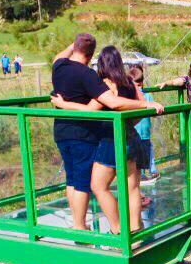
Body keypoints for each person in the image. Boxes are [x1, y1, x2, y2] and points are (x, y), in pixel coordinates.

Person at [52, 46, 163, 234]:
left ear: (101, 64)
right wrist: (129, 122)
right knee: (132, 188)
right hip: (132, 137)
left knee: (98, 186)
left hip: (111, 140)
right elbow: (140, 112)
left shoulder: (104, 84)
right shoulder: (130, 82)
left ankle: (117, 229)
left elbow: (90, 110)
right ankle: (136, 228)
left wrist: (63, 105)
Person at [49, 34, 118, 231]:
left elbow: (58, 56)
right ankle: (79, 226)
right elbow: (104, 102)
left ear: (75, 47)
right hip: (83, 134)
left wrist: (74, 44)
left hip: (61, 130)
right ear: (91, 54)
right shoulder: (87, 75)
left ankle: (77, 221)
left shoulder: (59, 67)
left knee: (71, 178)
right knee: (82, 181)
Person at [129, 65, 160, 186]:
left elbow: (154, 112)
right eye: (135, 86)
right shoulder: (129, 98)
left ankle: (151, 171)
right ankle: (140, 175)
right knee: (136, 156)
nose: (138, 89)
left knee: (148, 151)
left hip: (145, 133)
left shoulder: (147, 96)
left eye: (140, 85)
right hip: (134, 133)